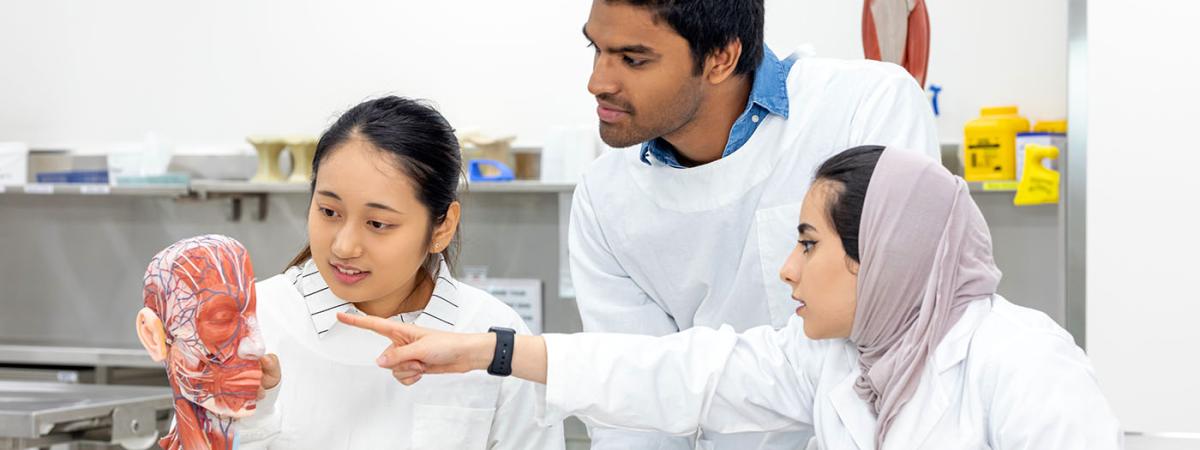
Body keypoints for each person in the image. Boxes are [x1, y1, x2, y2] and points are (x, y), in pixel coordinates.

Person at [341, 146, 1123, 449]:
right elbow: (685, 374)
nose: (786, 270)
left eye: (809, 244)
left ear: (882, 256)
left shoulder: (1020, 359)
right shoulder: (840, 359)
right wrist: (490, 351)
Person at [573, 1, 937, 446]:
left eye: (633, 59)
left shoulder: (865, 107)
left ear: (721, 58)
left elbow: (894, 332)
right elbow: (633, 405)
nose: (598, 82)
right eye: (596, 49)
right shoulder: (604, 195)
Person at [237, 96, 564, 449]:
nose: (344, 246)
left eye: (378, 223)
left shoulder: (492, 335)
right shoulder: (254, 320)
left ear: (442, 227)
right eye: (329, 212)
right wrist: (252, 419)